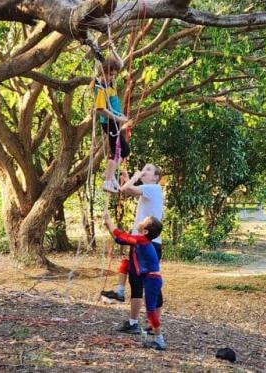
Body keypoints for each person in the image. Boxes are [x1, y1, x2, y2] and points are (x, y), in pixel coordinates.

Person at [100, 164, 164, 334]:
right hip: (146, 243)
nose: (144, 170)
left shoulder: (152, 188)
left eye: (148, 169)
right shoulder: (150, 190)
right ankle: (140, 322)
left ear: (156, 177)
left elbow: (126, 189)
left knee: (142, 282)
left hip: (145, 243)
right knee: (140, 279)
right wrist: (128, 178)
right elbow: (128, 190)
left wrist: (135, 177)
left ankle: (138, 323)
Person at [103, 212, 166, 351]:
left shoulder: (142, 240)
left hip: (152, 279)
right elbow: (119, 239)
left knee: (150, 311)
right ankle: (119, 291)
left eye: (144, 220)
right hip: (149, 277)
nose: (141, 220)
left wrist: (109, 220)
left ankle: (159, 341)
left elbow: (120, 237)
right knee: (126, 263)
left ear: (145, 231)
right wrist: (109, 226)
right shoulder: (142, 240)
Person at [93, 56, 131, 193]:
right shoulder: (100, 87)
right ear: (103, 71)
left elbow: (121, 63)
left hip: (114, 122)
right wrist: (118, 118)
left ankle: (108, 174)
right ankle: (107, 181)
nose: (112, 77)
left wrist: (113, 49)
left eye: (114, 75)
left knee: (124, 151)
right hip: (109, 122)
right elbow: (100, 110)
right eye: (110, 74)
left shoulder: (110, 84)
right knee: (117, 151)